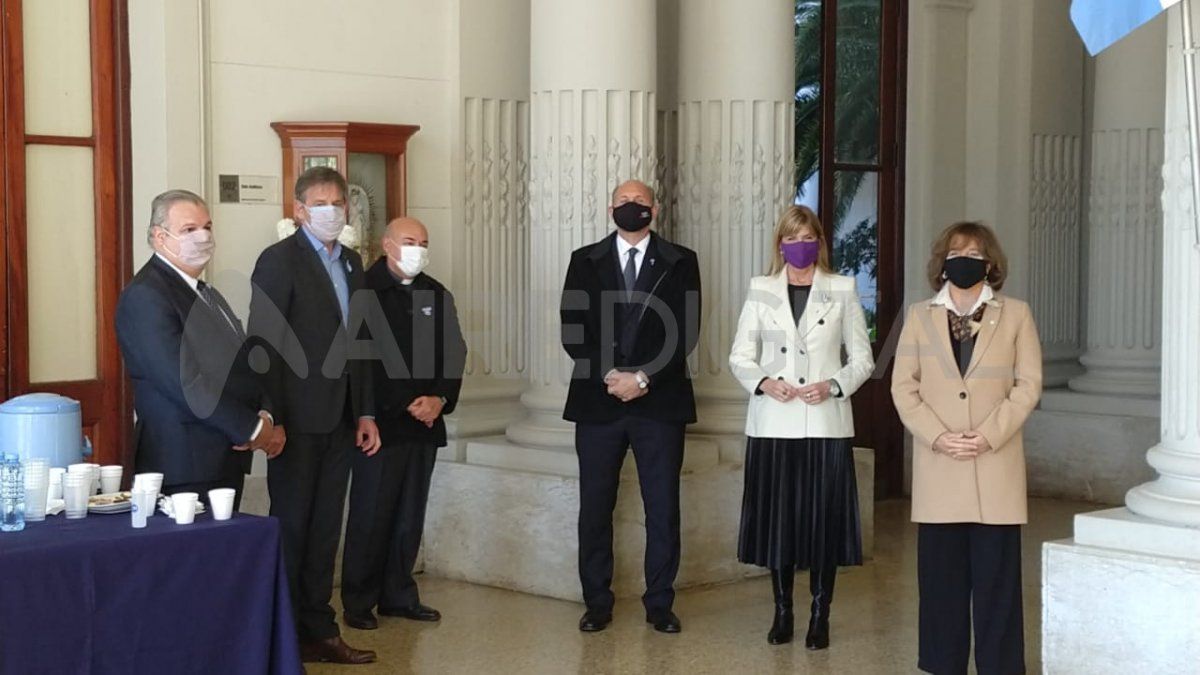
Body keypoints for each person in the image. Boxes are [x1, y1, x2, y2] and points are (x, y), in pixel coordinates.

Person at [891, 221, 1042, 675]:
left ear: (990, 264)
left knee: (998, 588)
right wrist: (937, 436)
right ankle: (943, 665)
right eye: (956, 253)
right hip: (940, 468)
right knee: (941, 587)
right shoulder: (919, 316)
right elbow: (903, 387)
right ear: (942, 263)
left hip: (995, 468)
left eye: (975, 254)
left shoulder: (1016, 315)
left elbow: (1028, 385)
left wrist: (989, 434)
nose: (965, 260)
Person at [248, 167, 381, 665]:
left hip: (341, 418)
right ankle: (280, 636)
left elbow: (361, 344)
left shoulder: (351, 261)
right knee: (292, 528)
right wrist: (272, 417)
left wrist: (365, 411)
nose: (331, 211)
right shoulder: (278, 260)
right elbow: (264, 344)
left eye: (338, 202)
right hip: (296, 422)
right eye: (320, 203)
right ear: (300, 209)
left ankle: (319, 631)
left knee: (326, 531)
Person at [728, 205, 874, 648]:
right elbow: (739, 356)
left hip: (824, 424)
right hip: (774, 423)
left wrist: (833, 385)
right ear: (780, 245)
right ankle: (782, 611)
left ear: (819, 242)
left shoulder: (842, 288)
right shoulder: (761, 289)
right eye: (792, 238)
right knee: (780, 524)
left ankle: (819, 614)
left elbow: (863, 359)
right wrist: (764, 382)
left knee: (823, 525)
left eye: (808, 237)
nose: (800, 246)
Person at [560, 179, 702, 635]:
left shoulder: (681, 261)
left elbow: (686, 330)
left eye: (640, 201)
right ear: (610, 209)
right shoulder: (584, 260)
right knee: (595, 506)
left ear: (654, 211)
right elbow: (573, 330)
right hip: (597, 402)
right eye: (624, 201)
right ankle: (596, 602)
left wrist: (642, 378)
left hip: (659, 404)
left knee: (662, 508)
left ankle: (660, 603)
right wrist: (610, 375)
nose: (632, 206)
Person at [116, 190, 284, 508]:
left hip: (221, 457)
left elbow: (241, 363)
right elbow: (184, 382)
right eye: (189, 229)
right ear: (159, 237)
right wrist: (251, 429)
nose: (203, 236)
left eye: (207, 227)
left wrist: (264, 412)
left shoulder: (206, 293)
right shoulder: (146, 295)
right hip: (184, 463)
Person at [341, 217, 466, 631]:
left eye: (424, 242)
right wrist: (392, 405)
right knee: (371, 513)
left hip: (425, 422)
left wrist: (439, 399)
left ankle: (398, 594)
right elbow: (360, 360)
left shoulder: (436, 293)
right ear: (387, 244)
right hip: (378, 424)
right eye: (410, 241)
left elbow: (454, 352)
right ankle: (359, 600)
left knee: (410, 514)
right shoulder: (363, 290)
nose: (418, 249)